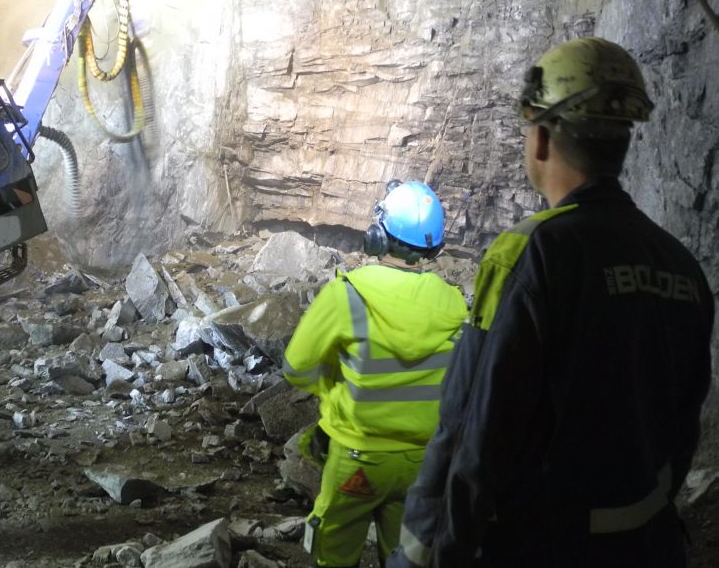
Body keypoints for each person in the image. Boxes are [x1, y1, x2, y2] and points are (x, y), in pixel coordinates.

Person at [388, 37, 715, 568]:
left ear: (541, 139)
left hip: (545, 548)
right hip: (647, 546)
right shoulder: (679, 265)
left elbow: (473, 430)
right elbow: (682, 430)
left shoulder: (529, 254)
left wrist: (425, 553)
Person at [283, 180, 468, 567]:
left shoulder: (347, 293)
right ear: (433, 248)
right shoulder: (453, 303)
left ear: (376, 237)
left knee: (333, 551)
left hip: (359, 457)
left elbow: (296, 367)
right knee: (409, 557)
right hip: (425, 464)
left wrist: (333, 395)